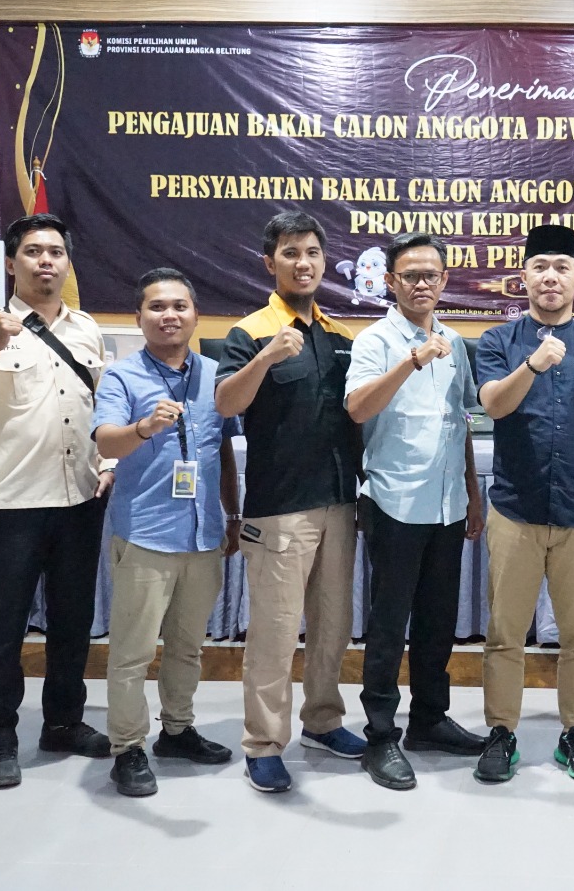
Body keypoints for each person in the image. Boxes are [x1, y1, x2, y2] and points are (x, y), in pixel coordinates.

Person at [0, 213, 114, 789]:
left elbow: (103, 409)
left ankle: (63, 722)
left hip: (80, 499)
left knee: (73, 622)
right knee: (3, 629)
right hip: (13, 503)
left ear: (67, 263)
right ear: (12, 262)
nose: (46, 261)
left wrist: (108, 464)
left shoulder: (87, 330)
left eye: (56, 252)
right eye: (34, 251)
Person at [472, 223, 574, 784]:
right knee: (504, 633)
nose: (550, 277)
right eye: (539, 266)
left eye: (562, 267)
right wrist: (534, 364)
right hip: (515, 508)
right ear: (524, 277)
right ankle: (501, 733)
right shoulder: (498, 341)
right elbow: (494, 405)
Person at [215, 211, 366, 794]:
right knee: (276, 631)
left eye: (312, 252)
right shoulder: (250, 332)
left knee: (333, 625)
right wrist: (266, 357)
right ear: (269, 262)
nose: (303, 263)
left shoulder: (340, 335)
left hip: (339, 501)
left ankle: (323, 721)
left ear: (324, 261)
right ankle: (263, 742)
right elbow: (227, 404)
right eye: (290, 253)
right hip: (280, 507)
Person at [344, 232, 488, 791]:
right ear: (391, 282)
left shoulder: (455, 342)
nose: (421, 284)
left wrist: (473, 492)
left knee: (437, 621)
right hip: (394, 502)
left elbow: (462, 422)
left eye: (431, 274)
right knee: (388, 624)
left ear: (445, 280)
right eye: (410, 275)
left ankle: (429, 719)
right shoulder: (375, 340)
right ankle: (381, 734)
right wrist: (411, 360)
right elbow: (358, 409)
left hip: (448, 505)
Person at [92, 268, 241, 797]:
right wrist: (143, 428)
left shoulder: (217, 376)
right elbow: (106, 443)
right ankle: (127, 747)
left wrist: (232, 514)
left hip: (203, 536)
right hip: (146, 536)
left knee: (187, 647)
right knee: (132, 653)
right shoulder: (122, 377)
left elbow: (223, 450)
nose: (169, 315)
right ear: (139, 318)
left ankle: (177, 731)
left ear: (196, 315)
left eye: (180, 306)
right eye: (157, 307)